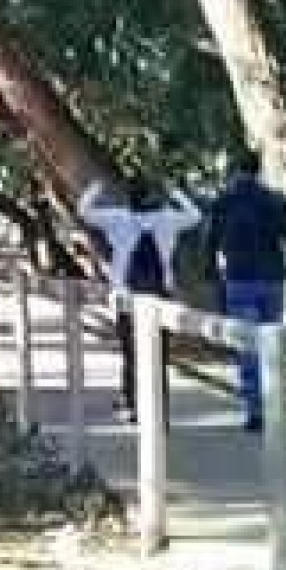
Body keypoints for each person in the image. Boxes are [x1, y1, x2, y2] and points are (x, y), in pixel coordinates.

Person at [77, 178, 203, 423]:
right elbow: (195, 216)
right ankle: (160, 409)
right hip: (159, 297)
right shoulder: (168, 219)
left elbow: (83, 211)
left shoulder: (118, 218)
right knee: (160, 356)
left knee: (131, 353)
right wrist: (176, 192)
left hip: (127, 297)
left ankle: (135, 406)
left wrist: (97, 188)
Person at [202, 146, 286, 432]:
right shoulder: (275, 200)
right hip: (273, 279)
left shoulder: (223, 201)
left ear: (234, 170)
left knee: (247, 346)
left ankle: (256, 410)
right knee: (271, 343)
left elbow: (210, 241)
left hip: (239, 279)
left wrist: (210, 275)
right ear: (258, 170)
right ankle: (275, 402)